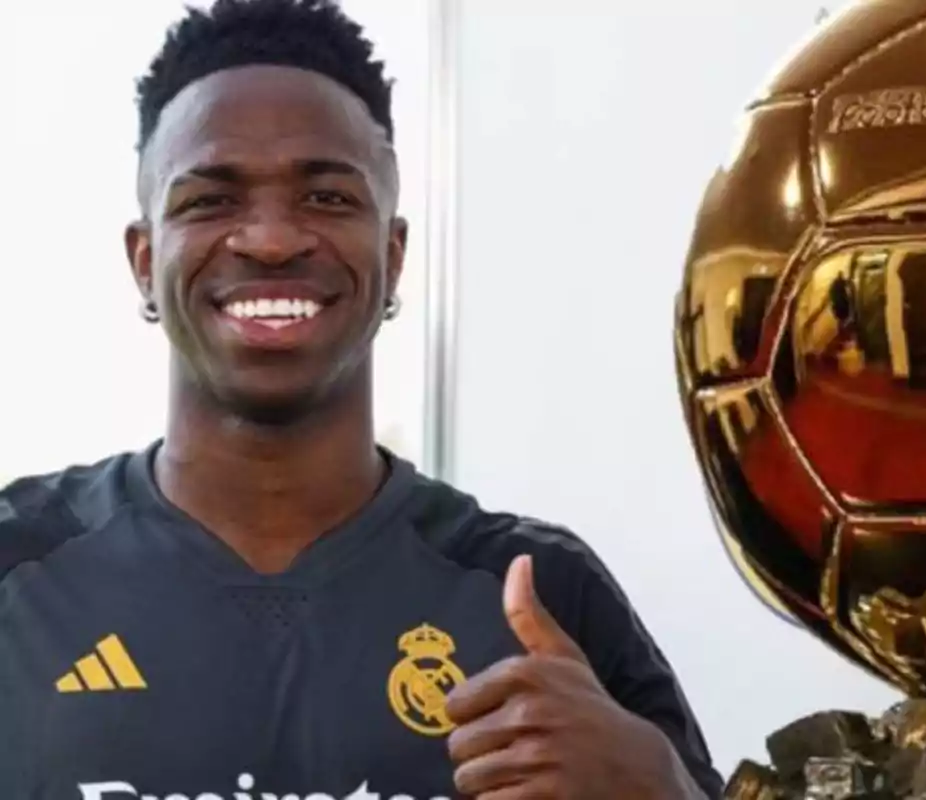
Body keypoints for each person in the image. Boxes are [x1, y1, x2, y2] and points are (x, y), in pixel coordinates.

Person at [0, 1, 723, 797]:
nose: (271, 239)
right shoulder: (19, 572)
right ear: (144, 261)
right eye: (211, 200)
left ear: (395, 254)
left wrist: (662, 786)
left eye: (328, 199)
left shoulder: (535, 589)